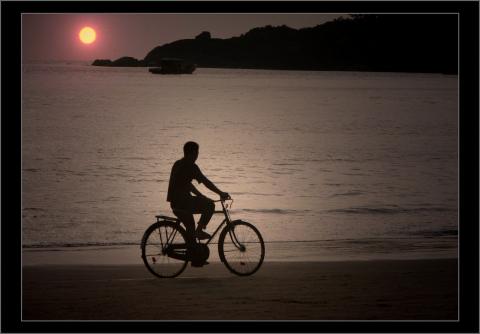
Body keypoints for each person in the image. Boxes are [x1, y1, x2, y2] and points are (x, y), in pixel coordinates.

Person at [167, 141, 230, 247]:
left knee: (190, 228)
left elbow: (187, 185)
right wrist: (220, 193)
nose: (197, 155)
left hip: (175, 203)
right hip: (183, 202)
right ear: (192, 153)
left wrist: (200, 195)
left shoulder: (178, 164)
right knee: (210, 205)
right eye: (196, 153)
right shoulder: (191, 166)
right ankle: (199, 231)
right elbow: (206, 182)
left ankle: (193, 254)